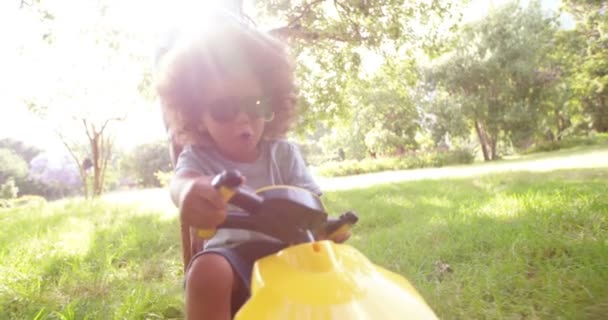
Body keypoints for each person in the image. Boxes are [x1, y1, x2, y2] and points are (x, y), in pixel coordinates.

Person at [154, 10, 348, 320]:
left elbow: (311, 209)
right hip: (230, 255)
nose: (243, 119)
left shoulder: (283, 154)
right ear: (197, 117)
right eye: (223, 109)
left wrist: (326, 230)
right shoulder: (199, 157)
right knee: (206, 272)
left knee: (340, 263)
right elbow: (180, 184)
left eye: (256, 105)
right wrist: (190, 189)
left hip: (291, 248)